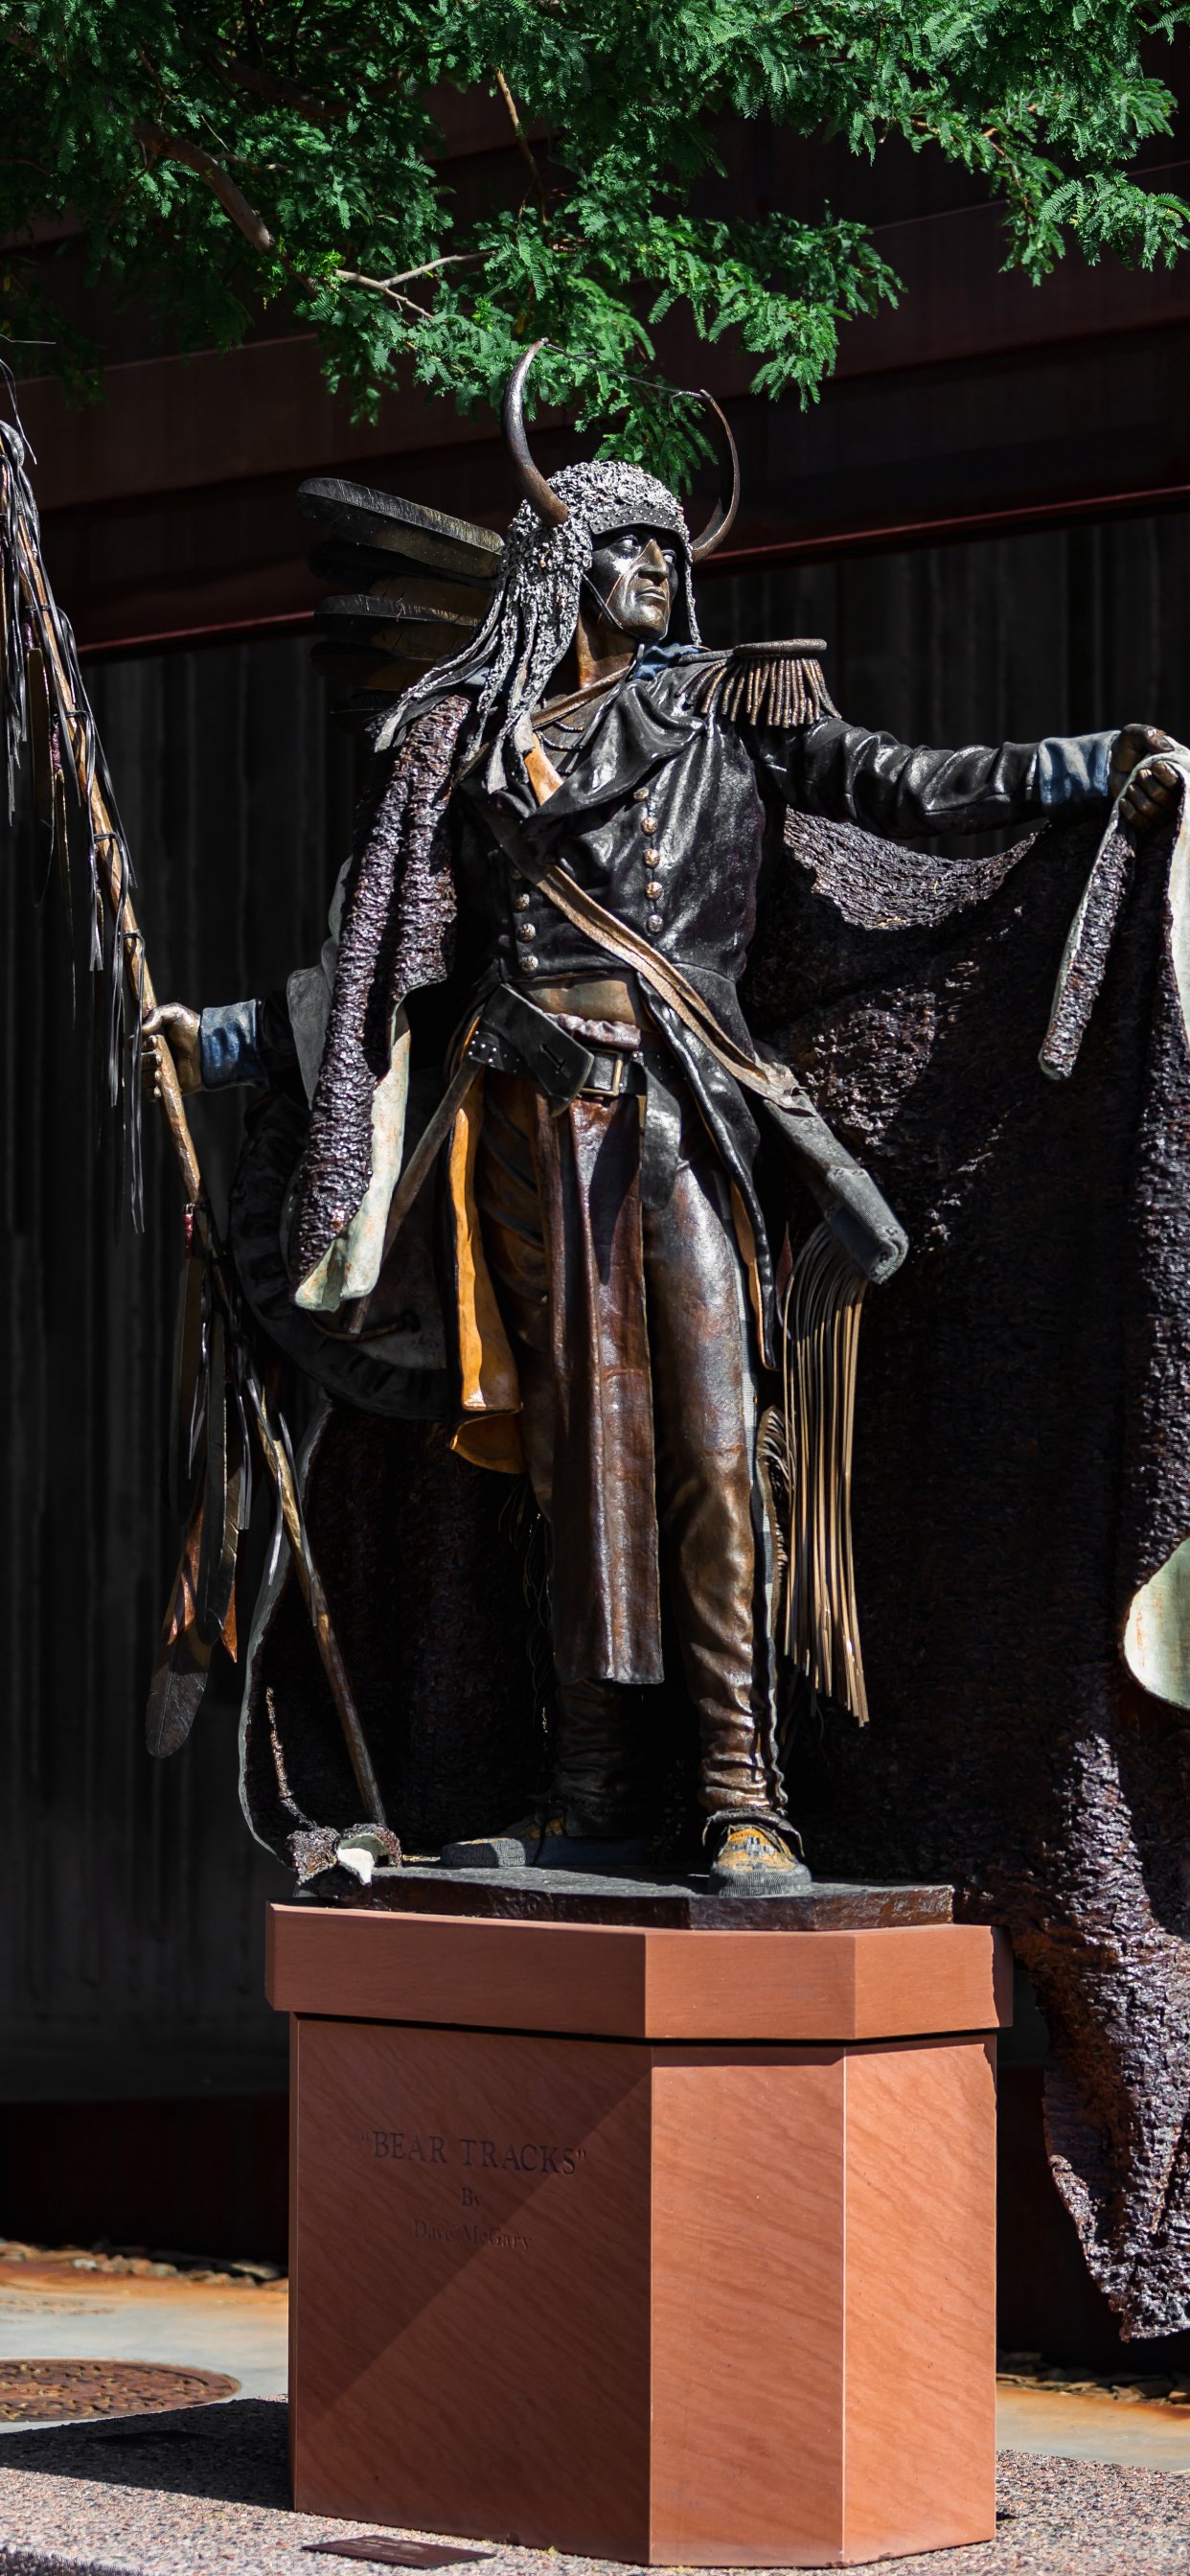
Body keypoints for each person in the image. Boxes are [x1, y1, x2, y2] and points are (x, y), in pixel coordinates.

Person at [145, 348, 1180, 1891]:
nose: (656, 570)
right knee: (572, 1469)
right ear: (557, 565)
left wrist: (1092, 765)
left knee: (709, 1447)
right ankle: (588, 1789)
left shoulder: (731, 707)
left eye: (667, 550)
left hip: (679, 1110)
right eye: (626, 544)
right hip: (515, 1135)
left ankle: (742, 1797)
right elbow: (391, 969)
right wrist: (222, 1042)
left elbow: (905, 783)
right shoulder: (473, 748)